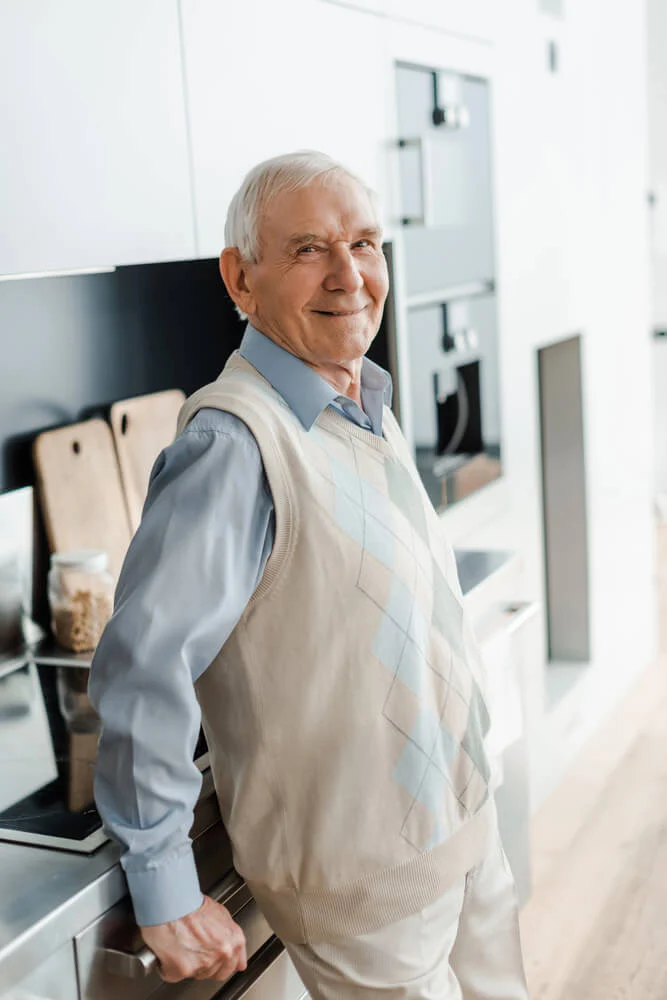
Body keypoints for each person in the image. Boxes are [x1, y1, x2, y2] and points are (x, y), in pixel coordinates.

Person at [89, 150, 530, 998]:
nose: (349, 275)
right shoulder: (233, 445)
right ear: (240, 277)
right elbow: (145, 666)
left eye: (364, 243)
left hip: (467, 837)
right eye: (308, 250)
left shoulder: (359, 398)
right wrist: (163, 880)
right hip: (367, 897)